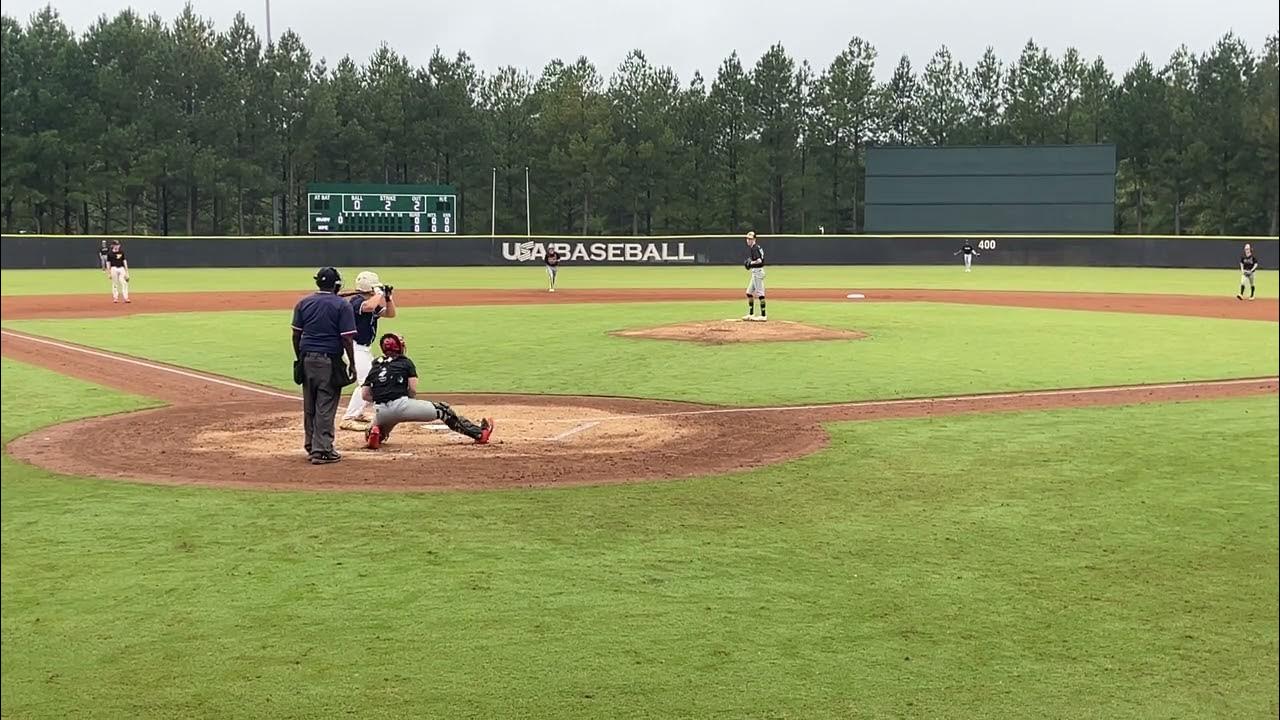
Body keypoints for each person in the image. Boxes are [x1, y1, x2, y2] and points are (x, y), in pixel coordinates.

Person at [361, 333, 494, 449]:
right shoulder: (405, 362)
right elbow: (412, 390)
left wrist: (384, 397)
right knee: (443, 410)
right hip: (403, 405)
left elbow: (365, 395)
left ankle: (375, 435)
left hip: (381, 411)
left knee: (379, 427)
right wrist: (401, 400)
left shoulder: (375, 365)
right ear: (399, 347)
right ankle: (480, 434)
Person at [291, 267, 358, 465]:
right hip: (328, 360)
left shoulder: (304, 302)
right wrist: (352, 363)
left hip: (306, 358)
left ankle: (311, 445)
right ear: (336, 285)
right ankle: (323, 450)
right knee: (325, 405)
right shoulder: (341, 305)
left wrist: (300, 358)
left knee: (310, 405)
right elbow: (346, 339)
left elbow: (296, 334)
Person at [338, 271, 396, 431]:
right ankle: (348, 418)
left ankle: (358, 412)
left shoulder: (369, 301)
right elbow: (369, 307)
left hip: (364, 349)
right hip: (354, 347)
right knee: (365, 383)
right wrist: (378, 293)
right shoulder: (356, 302)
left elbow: (390, 314)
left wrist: (388, 298)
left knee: (371, 380)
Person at [743, 231, 767, 322]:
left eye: (750, 239)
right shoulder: (755, 247)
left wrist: (751, 263)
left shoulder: (754, 248)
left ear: (754, 239)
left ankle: (763, 315)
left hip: (758, 272)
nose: (748, 240)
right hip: (755, 272)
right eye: (747, 239)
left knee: (760, 294)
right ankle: (751, 314)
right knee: (749, 293)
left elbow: (759, 261)